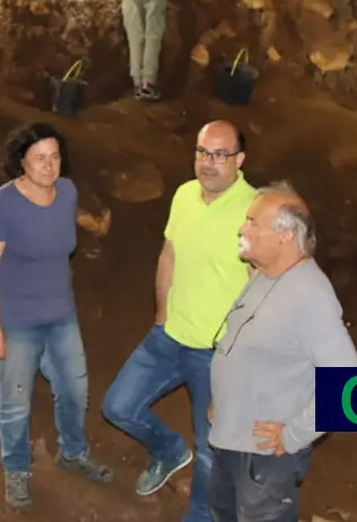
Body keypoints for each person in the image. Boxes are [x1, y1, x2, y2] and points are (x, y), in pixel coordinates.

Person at [101, 120, 256, 522]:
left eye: (221, 154)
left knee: (212, 448)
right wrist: (161, 314)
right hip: (169, 338)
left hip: (219, 353)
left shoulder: (255, 211)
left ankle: (201, 515)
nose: (210, 162)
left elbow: (264, 289)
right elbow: (169, 254)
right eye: (203, 152)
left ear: (239, 160)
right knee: (118, 405)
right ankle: (169, 450)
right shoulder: (185, 195)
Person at [0, 123, 114, 510]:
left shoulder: (67, 193)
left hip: (61, 314)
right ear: (21, 162)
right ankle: (16, 471)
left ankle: (72, 452)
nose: (49, 166)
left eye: (55, 157)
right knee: (15, 401)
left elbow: (61, 243)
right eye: (39, 158)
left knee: (75, 391)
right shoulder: (1, 207)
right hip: (17, 320)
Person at [208, 182, 357, 522]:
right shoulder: (266, 275)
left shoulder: (310, 295)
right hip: (230, 440)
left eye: (253, 223)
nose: (242, 229)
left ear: (285, 236)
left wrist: (294, 435)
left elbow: (349, 383)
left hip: (263, 459)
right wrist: (225, 399)